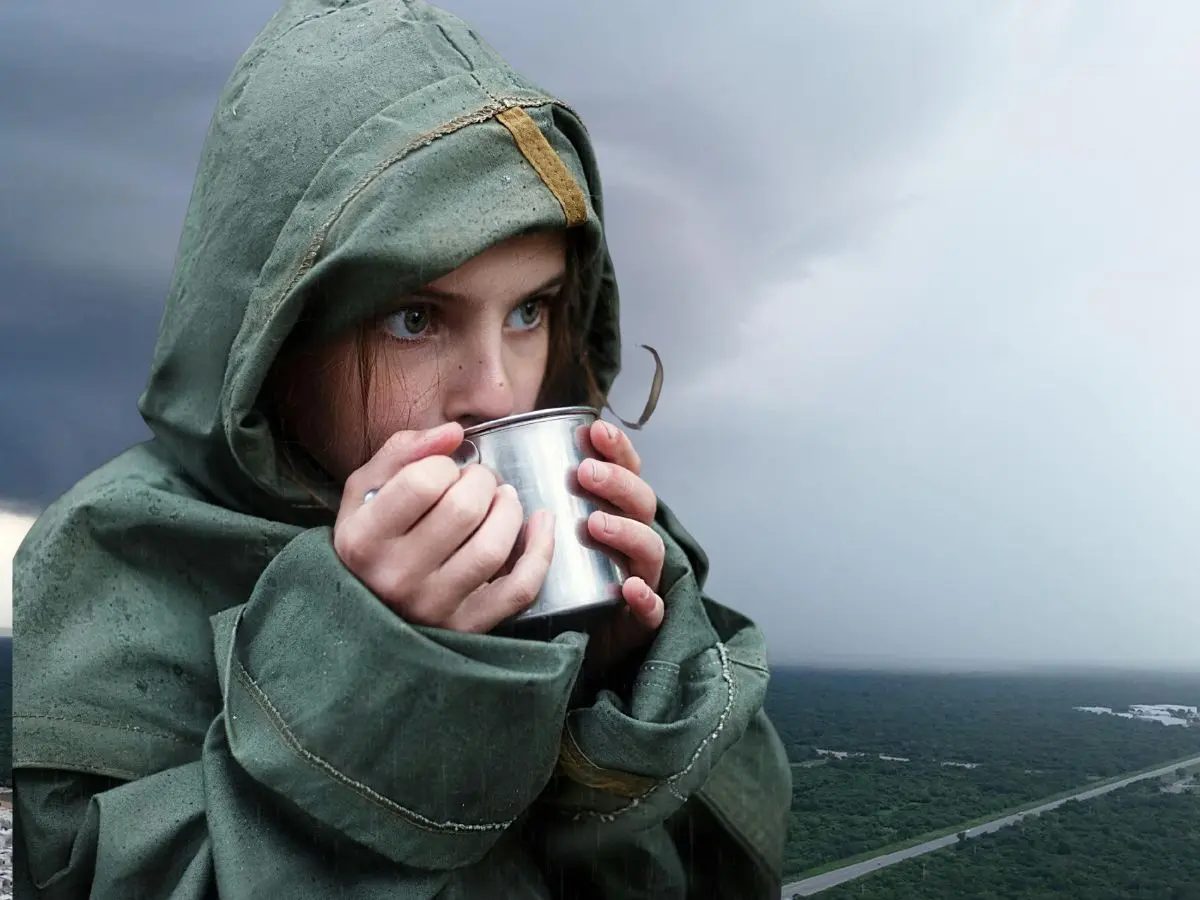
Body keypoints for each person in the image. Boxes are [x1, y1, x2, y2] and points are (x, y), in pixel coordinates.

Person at [12, 2, 792, 897]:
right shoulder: (115, 558)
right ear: (273, 333)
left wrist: (616, 678)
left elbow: (722, 865)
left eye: (529, 311)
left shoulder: (584, 530)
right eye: (415, 318)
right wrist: (377, 663)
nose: (497, 392)